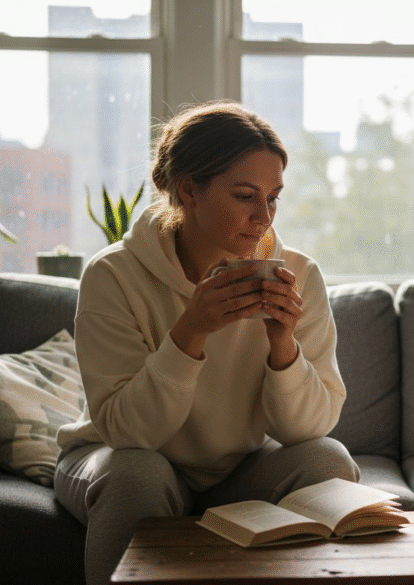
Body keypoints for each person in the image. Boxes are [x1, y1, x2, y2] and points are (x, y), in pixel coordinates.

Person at [54, 101, 358, 585]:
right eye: (244, 196)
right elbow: (127, 433)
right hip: (123, 455)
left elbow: (311, 429)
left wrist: (283, 347)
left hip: (237, 470)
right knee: (139, 476)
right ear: (189, 189)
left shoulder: (298, 275)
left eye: (273, 197)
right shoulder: (113, 275)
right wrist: (190, 332)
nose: (263, 216)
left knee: (328, 458)